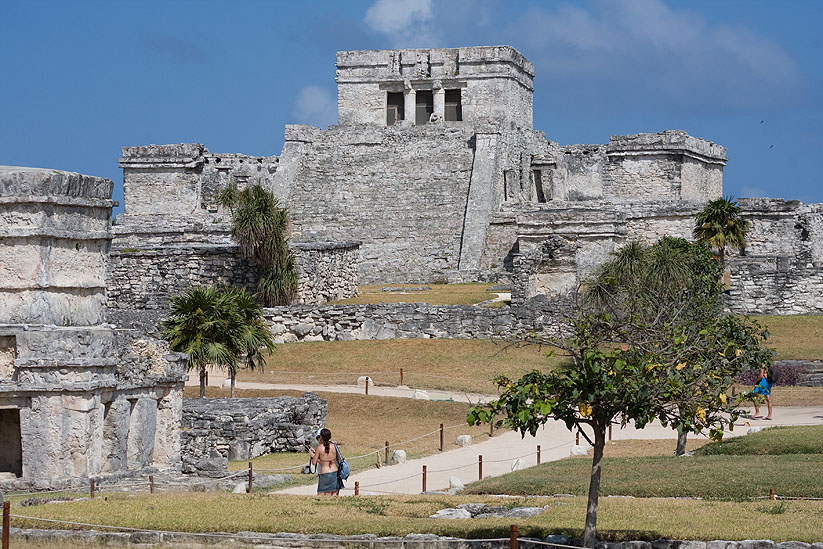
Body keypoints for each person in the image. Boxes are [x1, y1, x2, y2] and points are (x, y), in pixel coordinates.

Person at [309, 428, 343, 496]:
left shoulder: (319, 447)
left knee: (321, 493)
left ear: (321, 437)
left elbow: (314, 462)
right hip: (334, 471)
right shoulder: (334, 446)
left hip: (324, 472)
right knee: (333, 492)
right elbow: (339, 459)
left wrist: (313, 455)